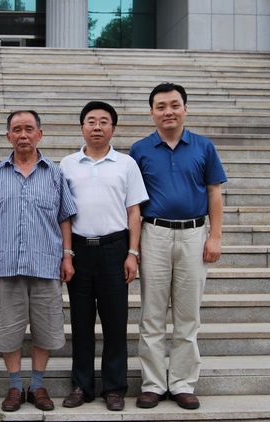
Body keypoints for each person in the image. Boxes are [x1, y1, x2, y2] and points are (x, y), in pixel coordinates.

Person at [129, 82, 227, 410]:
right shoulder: (140, 150)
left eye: (174, 105)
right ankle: (154, 384)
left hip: (193, 235)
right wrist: (133, 248)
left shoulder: (203, 147)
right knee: (152, 315)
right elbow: (133, 203)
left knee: (188, 315)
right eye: (161, 106)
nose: (168, 112)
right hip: (154, 234)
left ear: (185, 108)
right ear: (152, 112)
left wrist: (215, 236)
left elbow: (214, 192)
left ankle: (183, 383)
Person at [0, 110, 77, 412]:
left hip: (46, 263)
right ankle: (14, 386)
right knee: (7, 328)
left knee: (46, 326)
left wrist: (67, 256)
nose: (23, 135)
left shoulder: (55, 174)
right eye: (16, 130)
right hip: (6, 264)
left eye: (28, 129)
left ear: (39, 134)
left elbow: (64, 217)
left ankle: (37, 385)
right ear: (8, 136)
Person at [59, 101, 148, 411]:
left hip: (115, 249)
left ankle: (114, 387)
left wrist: (132, 253)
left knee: (115, 322)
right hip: (80, 250)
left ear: (113, 128)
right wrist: (66, 254)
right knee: (81, 322)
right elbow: (63, 214)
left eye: (103, 121)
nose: (97, 127)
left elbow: (134, 211)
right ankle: (81, 386)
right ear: (82, 126)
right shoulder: (67, 164)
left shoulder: (126, 164)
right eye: (91, 121)